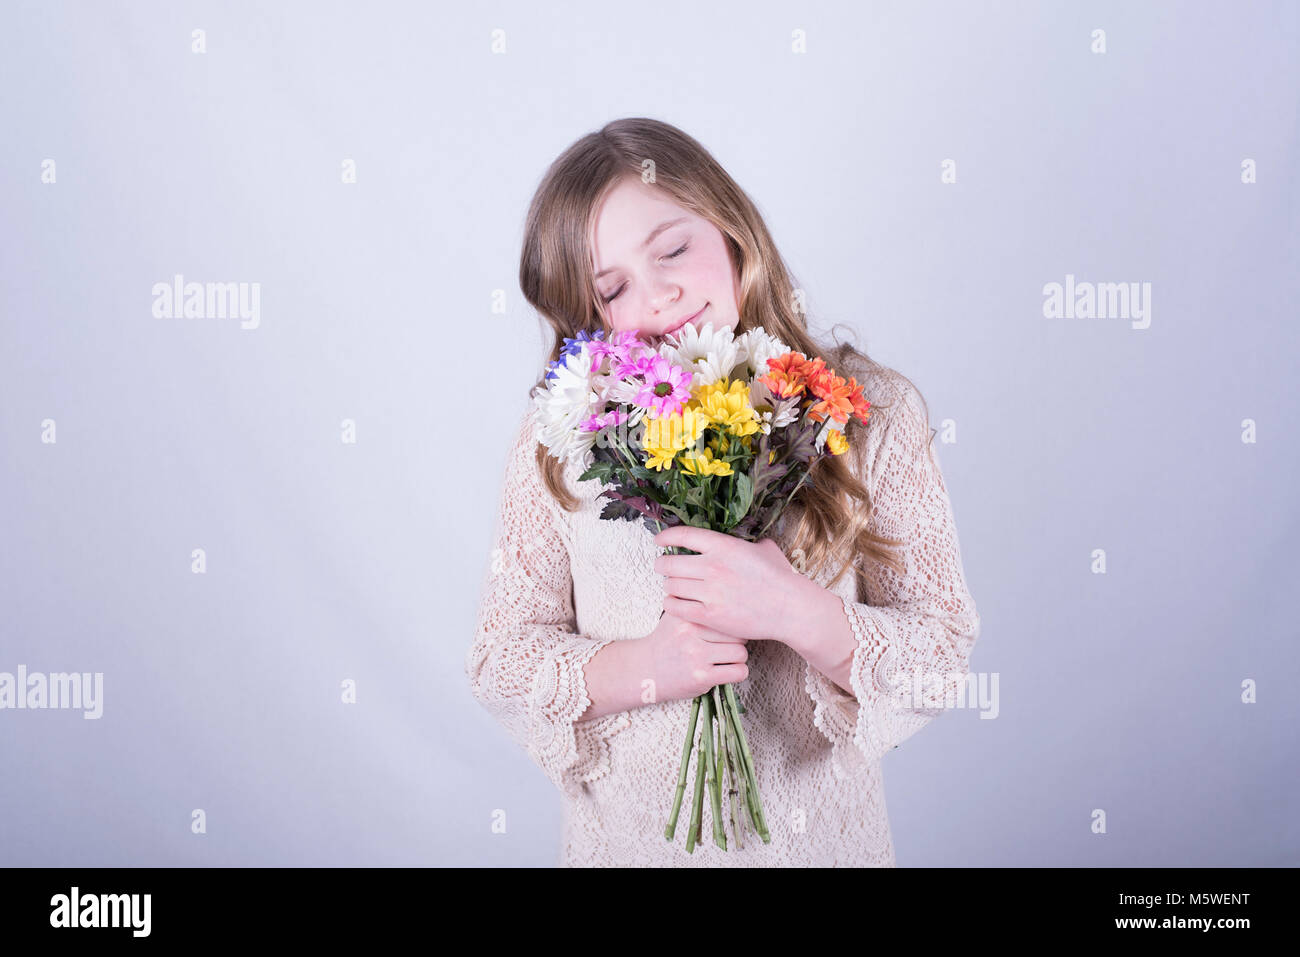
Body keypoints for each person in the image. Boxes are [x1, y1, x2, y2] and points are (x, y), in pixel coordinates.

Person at [465, 117, 981, 866]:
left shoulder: (871, 412)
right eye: (612, 288)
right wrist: (648, 666)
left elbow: (939, 653)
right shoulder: (564, 442)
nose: (661, 291)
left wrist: (796, 610)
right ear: (585, 319)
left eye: (673, 248)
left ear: (733, 229)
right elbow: (501, 656)